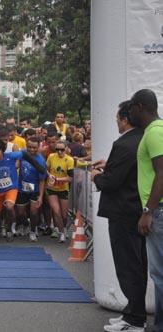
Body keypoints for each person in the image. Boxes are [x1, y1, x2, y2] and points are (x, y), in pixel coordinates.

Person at [91, 100, 146, 332]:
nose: (116, 122)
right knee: (137, 264)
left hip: (123, 211)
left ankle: (134, 320)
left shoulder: (124, 143)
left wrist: (96, 176)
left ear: (125, 119)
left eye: (117, 118)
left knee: (128, 266)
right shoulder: (142, 139)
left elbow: (113, 182)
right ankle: (132, 313)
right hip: (135, 210)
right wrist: (108, 167)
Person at [128, 89, 163, 332]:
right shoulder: (155, 131)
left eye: (131, 108)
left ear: (140, 107)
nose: (129, 113)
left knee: (160, 274)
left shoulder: (154, 133)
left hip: (158, 212)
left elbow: (162, 172)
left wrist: (148, 210)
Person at [0, 139, 46, 243]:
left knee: (10, 206)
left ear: (3, 150)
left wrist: (39, 168)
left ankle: (9, 229)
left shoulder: (11, 156)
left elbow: (24, 154)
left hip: (12, 188)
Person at [15, 136, 47, 242]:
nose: (31, 150)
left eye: (34, 148)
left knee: (34, 212)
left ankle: (33, 231)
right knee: (20, 213)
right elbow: (16, 165)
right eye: (29, 147)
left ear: (39, 147)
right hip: (21, 189)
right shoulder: (23, 153)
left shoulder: (41, 161)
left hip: (35, 190)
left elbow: (42, 181)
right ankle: (25, 224)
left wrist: (41, 197)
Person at [46, 140, 74, 242]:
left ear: (66, 149)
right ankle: (61, 232)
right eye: (57, 149)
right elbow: (46, 169)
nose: (59, 152)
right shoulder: (51, 156)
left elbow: (70, 178)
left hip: (63, 189)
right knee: (56, 212)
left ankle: (65, 228)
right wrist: (49, 176)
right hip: (51, 188)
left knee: (64, 214)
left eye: (62, 150)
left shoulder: (69, 160)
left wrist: (58, 180)